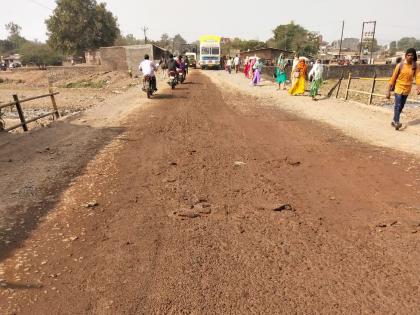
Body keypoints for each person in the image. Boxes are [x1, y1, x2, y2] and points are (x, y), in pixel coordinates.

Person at [387, 48, 420, 130]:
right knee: (397, 105)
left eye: (412, 55)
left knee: (401, 106)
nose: (410, 57)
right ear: (405, 56)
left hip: (407, 89)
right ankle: (397, 122)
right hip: (398, 87)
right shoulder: (400, 65)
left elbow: (418, 77)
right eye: (408, 55)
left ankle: (394, 120)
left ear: (414, 56)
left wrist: (418, 87)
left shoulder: (415, 66)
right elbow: (393, 77)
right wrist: (388, 91)